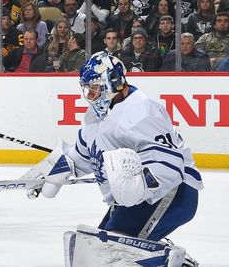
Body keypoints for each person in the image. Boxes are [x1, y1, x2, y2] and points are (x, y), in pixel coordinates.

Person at [22, 53, 203, 266]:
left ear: (113, 82)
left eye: (95, 87)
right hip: (134, 200)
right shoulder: (95, 115)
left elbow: (170, 166)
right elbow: (82, 155)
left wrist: (139, 186)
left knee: (110, 254)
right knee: (99, 248)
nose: (90, 94)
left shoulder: (142, 111)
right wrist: (54, 170)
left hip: (171, 193)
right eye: (87, 87)